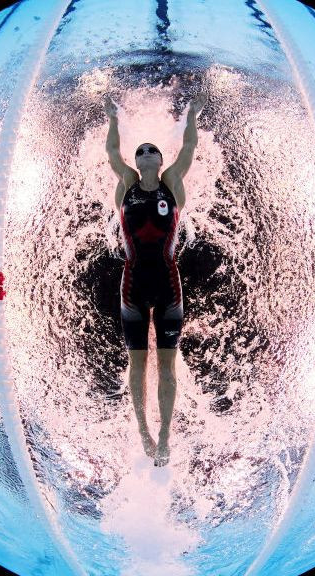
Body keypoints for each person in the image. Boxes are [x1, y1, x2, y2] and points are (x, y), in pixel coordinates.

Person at [104, 93, 207, 466]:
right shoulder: (127, 183)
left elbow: (190, 147)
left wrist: (192, 114)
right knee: (137, 363)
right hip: (131, 287)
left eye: (152, 150)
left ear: (161, 160)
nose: (146, 152)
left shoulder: (171, 183)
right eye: (142, 150)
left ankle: (165, 435)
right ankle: (143, 431)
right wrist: (113, 119)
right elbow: (113, 153)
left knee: (166, 365)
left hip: (168, 286)